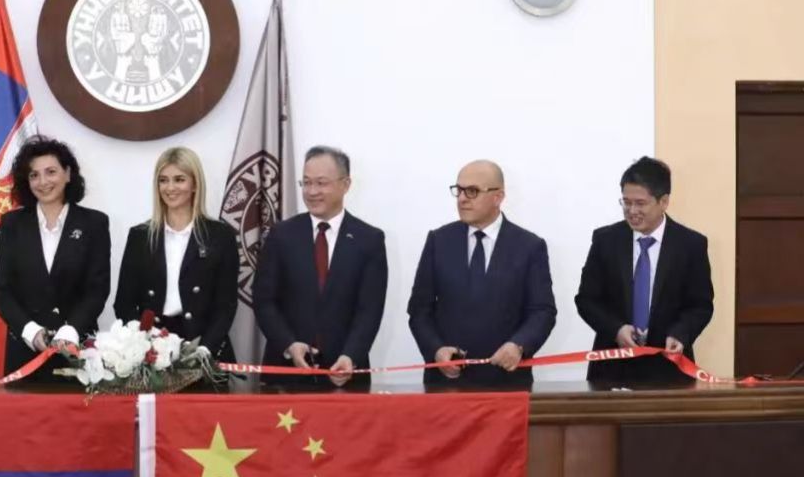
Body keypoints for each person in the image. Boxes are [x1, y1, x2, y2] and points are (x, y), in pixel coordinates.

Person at [408, 160, 556, 387]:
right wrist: (436, 350)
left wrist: (518, 345)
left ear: (498, 197)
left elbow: (542, 311)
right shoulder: (439, 241)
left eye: (472, 191)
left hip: (506, 381)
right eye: (459, 190)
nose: (462, 198)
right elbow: (419, 309)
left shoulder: (529, 246)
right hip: (446, 383)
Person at [254, 146, 388, 387]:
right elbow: (264, 301)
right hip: (285, 374)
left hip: (345, 375)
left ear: (346, 184)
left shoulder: (369, 240)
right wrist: (288, 344)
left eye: (321, 183)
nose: (312, 191)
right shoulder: (280, 235)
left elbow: (369, 310)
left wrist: (350, 356)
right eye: (306, 183)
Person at [576, 156, 713, 384]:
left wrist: (680, 334)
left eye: (640, 203)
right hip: (612, 369)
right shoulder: (605, 240)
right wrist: (616, 329)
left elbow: (700, 305)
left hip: (669, 369)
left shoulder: (691, 245)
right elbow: (587, 300)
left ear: (664, 201)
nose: (632, 211)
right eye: (626, 202)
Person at [0, 135, 110, 382]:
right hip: (24, 353)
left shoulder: (94, 223)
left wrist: (71, 329)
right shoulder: (12, 224)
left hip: (79, 353)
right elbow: (3, 291)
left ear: (68, 174)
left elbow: (97, 289)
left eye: (51, 172)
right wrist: (30, 331)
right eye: (34, 175)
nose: (43, 182)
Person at [113, 147, 239, 362]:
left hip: (204, 346)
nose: (170, 188)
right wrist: (146, 344)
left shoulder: (220, 235)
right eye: (163, 180)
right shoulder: (140, 236)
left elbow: (225, 305)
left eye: (179, 179)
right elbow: (124, 303)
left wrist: (205, 349)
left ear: (195, 184)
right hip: (151, 349)